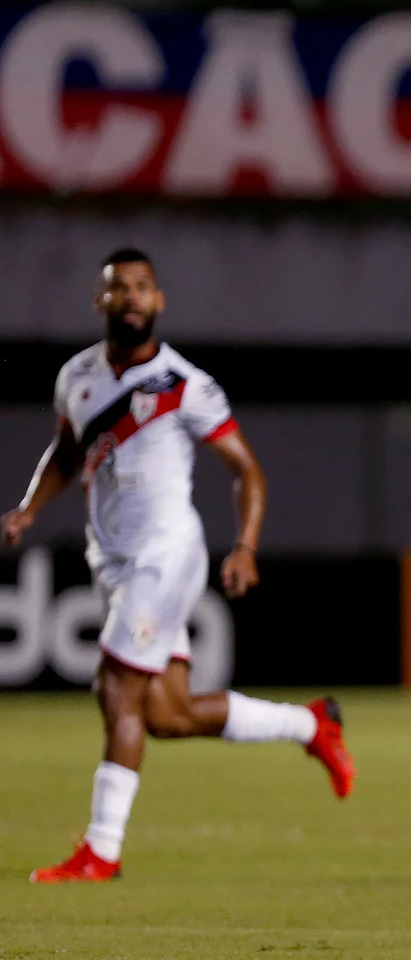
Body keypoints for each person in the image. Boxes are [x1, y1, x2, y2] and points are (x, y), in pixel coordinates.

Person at [4, 250, 354, 884]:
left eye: (142, 288)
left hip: (165, 556)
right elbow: (67, 449)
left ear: (159, 301)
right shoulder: (77, 377)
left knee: (115, 687)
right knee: (166, 714)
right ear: (101, 302)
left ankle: (101, 851)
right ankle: (311, 724)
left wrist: (245, 545)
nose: (132, 298)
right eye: (119, 289)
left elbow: (247, 470)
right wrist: (30, 508)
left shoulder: (184, 385)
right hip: (114, 561)